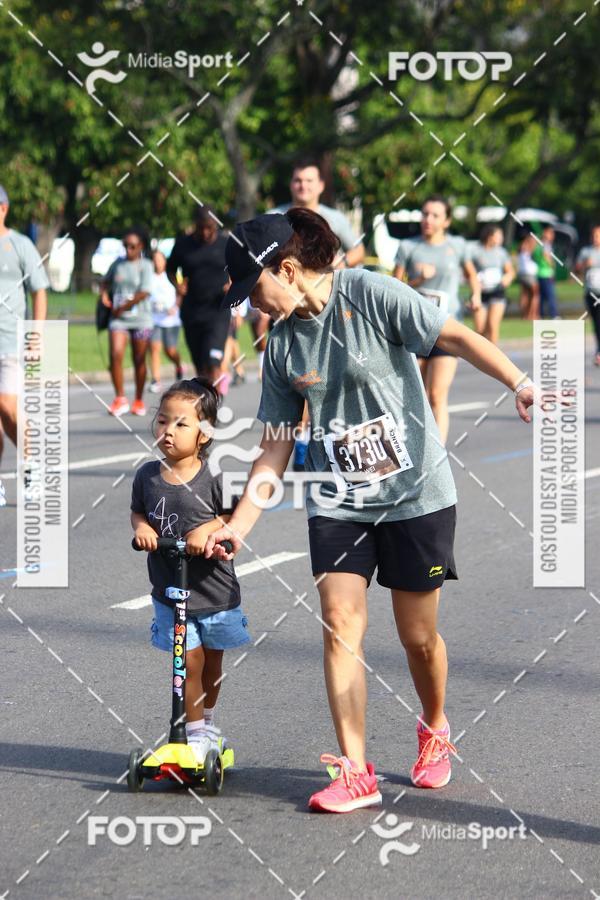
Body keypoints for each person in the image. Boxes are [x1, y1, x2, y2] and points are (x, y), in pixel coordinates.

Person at [204, 209, 536, 813]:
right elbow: (275, 444)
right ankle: (356, 769)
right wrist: (239, 526)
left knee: (418, 637)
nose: (253, 305)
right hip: (338, 500)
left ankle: (435, 725)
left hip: (415, 494)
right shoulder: (281, 347)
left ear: (286, 270)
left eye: (255, 289)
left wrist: (519, 382)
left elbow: (454, 336)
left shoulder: (369, 293)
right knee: (340, 620)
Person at [131, 376, 250, 762]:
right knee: (188, 661)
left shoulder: (214, 476)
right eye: (163, 420)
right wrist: (143, 528)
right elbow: (137, 512)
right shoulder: (147, 476)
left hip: (213, 591)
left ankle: (207, 723)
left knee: (212, 663)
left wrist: (208, 528)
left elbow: (234, 515)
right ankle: (193, 734)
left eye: (181, 424)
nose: (168, 431)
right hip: (170, 591)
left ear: (204, 434)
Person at [271, 159, 366, 468]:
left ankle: (329, 445)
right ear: (291, 184)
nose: (303, 186)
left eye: (309, 181)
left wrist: (335, 265)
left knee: (324, 375)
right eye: (298, 180)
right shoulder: (277, 217)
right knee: (298, 377)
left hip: (327, 306)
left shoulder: (334, 218)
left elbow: (358, 250)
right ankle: (302, 442)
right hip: (289, 307)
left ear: (321, 186)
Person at [393, 195, 481, 445]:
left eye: (435, 215)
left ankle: (438, 452)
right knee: (415, 397)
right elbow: (393, 288)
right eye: (425, 214)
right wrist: (419, 280)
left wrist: (475, 294)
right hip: (414, 330)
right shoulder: (408, 247)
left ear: (447, 221)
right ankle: (416, 445)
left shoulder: (457, 246)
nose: (428, 220)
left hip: (446, 329)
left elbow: (472, 275)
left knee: (436, 395)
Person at [0, 184, 49, 507]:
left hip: (11, 342)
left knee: (7, 408)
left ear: (3, 208)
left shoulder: (20, 244)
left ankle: (31, 467)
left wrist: (37, 333)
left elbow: (39, 290)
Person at [166, 207, 231, 394]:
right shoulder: (183, 244)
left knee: (213, 362)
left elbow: (242, 267)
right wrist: (177, 284)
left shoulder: (226, 243)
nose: (205, 232)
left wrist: (233, 283)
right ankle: (206, 401)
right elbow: (170, 269)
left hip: (218, 311)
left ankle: (214, 404)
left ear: (216, 225)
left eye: (210, 227)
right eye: (201, 227)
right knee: (200, 366)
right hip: (192, 311)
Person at [100, 228, 154, 417]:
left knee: (139, 358)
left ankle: (138, 399)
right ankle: (120, 398)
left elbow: (145, 292)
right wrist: (104, 295)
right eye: (125, 246)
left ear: (140, 246)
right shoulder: (117, 264)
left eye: (132, 246)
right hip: (119, 320)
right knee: (115, 354)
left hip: (141, 320)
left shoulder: (146, 265)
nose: (128, 250)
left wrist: (123, 306)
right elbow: (105, 282)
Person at [469, 224, 515, 345]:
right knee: (480, 329)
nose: (501, 238)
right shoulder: (476, 251)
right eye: (499, 235)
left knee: (493, 325)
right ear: (490, 236)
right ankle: (480, 353)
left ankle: (493, 353)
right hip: (480, 293)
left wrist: (507, 278)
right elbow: (468, 271)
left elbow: (510, 271)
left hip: (497, 292)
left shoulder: (501, 252)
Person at [148, 250, 184, 394]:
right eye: (155, 260)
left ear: (165, 261)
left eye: (160, 259)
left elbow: (181, 291)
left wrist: (175, 307)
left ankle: (178, 364)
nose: (157, 263)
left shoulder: (171, 275)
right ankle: (155, 379)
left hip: (170, 320)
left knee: (170, 350)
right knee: (154, 348)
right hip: (154, 318)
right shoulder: (149, 277)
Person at [575, 224, 600, 366]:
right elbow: (576, 269)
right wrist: (586, 264)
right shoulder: (586, 251)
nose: (596, 238)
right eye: (594, 235)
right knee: (596, 323)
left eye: (598, 236)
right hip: (590, 293)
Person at [533, 225, 559, 319]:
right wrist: (552, 265)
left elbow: (534, 257)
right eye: (550, 233)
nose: (552, 235)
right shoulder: (546, 245)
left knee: (542, 297)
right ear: (545, 233)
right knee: (551, 296)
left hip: (539, 273)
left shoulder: (538, 245)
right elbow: (546, 256)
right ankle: (554, 315)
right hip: (547, 273)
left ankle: (541, 315)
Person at [517, 233, 539, 320]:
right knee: (535, 295)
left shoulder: (521, 247)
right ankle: (532, 315)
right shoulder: (529, 248)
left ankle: (524, 315)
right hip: (529, 274)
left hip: (522, 273)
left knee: (525, 295)